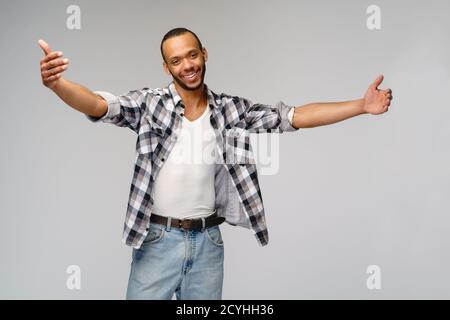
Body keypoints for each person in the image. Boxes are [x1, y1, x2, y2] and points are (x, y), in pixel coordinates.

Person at [38, 27, 393, 300]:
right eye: (176, 60)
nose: (187, 65)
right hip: (157, 240)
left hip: (208, 242)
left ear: (204, 54)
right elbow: (100, 106)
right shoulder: (150, 104)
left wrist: (360, 106)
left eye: (192, 55)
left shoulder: (230, 110)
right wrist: (58, 85)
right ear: (166, 66)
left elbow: (294, 117)